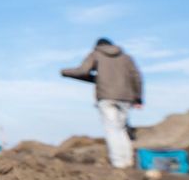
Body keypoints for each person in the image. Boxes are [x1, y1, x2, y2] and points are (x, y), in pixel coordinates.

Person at [61, 38, 143, 169]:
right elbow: (136, 77)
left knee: (112, 129)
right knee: (121, 129)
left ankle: (118, 163)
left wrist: (65, 72)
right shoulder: (126, 57)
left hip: (106, 97)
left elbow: (83, 71)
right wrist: (138, 98)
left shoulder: (96, 54)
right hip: (126, 98)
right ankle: (128, 161)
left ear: (98, 46)